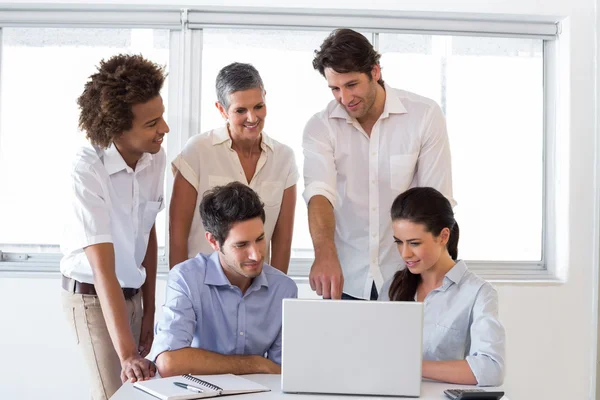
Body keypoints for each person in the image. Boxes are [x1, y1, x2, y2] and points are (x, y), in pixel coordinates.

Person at [303, 28, 455, 300]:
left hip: (410, 275)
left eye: (352, 85)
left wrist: (438, 277)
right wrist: (323, 253)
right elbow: (319, 193)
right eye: (335, 89)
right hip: (346, 278)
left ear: (375, 71)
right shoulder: (320, 126)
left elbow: (437, 201)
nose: (344, 98)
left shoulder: (424, 115)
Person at [60, 54, 169, 399]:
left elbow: (148, 231)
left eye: (161, 117)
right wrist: (126, 354)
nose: (164, 129)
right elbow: (103, 269)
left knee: (136, 394)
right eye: (152, 123)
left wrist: (150, 311)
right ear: (118, 128)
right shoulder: (87, 170)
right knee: (116, 394)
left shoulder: (156, 157)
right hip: (93, 297)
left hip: (133, 294)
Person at [150, 182, 298, 376]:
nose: (256, 255)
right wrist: (255, 364)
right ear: (213, 241)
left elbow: (283, 372)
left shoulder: (284, 289)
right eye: (241, 244)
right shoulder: (186, 279)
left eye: (260, 239)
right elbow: (169, 362)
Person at [169, 62, 298, 273]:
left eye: (258, 106)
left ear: (265, 96)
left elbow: (282, 242)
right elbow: (177, 234)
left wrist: (276, 297)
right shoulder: (198, 150)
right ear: (221, 109)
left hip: (256, 290)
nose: (252, 118)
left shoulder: (284, 158)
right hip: (202, 287)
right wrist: (179, 293)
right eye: (240, 110)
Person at [379, 187, 505, 387]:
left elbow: (491, 369)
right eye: (399, 242)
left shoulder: (478, 293)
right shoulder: (392, 287)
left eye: (414, 243)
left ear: (443, 236)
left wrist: (413, 366)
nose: (404, 254)